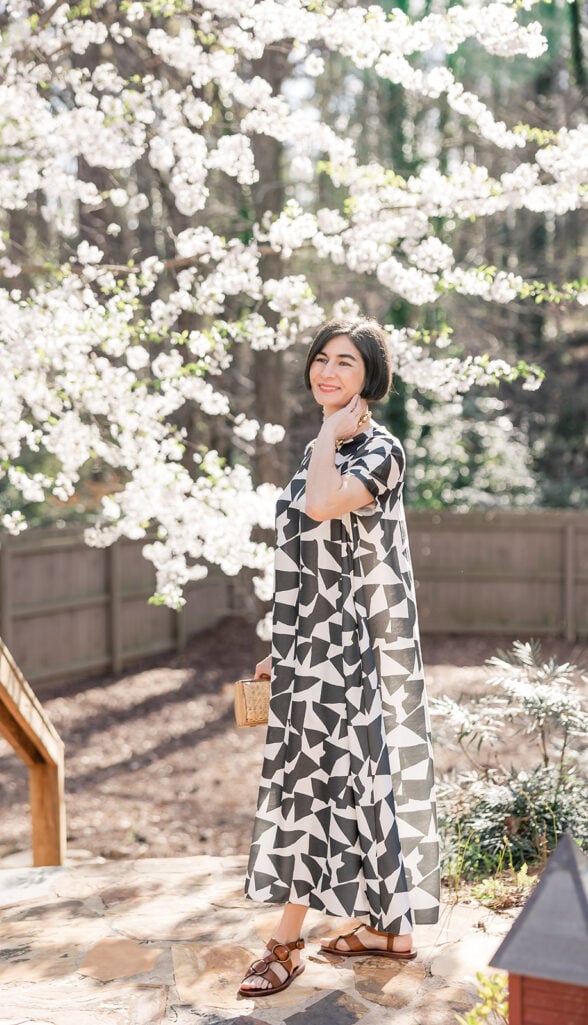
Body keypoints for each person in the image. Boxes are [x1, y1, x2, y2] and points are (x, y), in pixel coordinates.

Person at [239, 317, 440, 997]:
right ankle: (391, 929)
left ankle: (286, 939)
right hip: (310, 643)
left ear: (370, 378)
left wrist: (328, 436)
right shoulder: (318, 448)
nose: (327, 372)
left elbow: (324, 507)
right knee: (357, 783)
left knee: (315, 785)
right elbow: (312, 559)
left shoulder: (380, 450)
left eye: (345, 363)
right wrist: (280, 642)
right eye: (321, 359)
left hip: (351, 650)